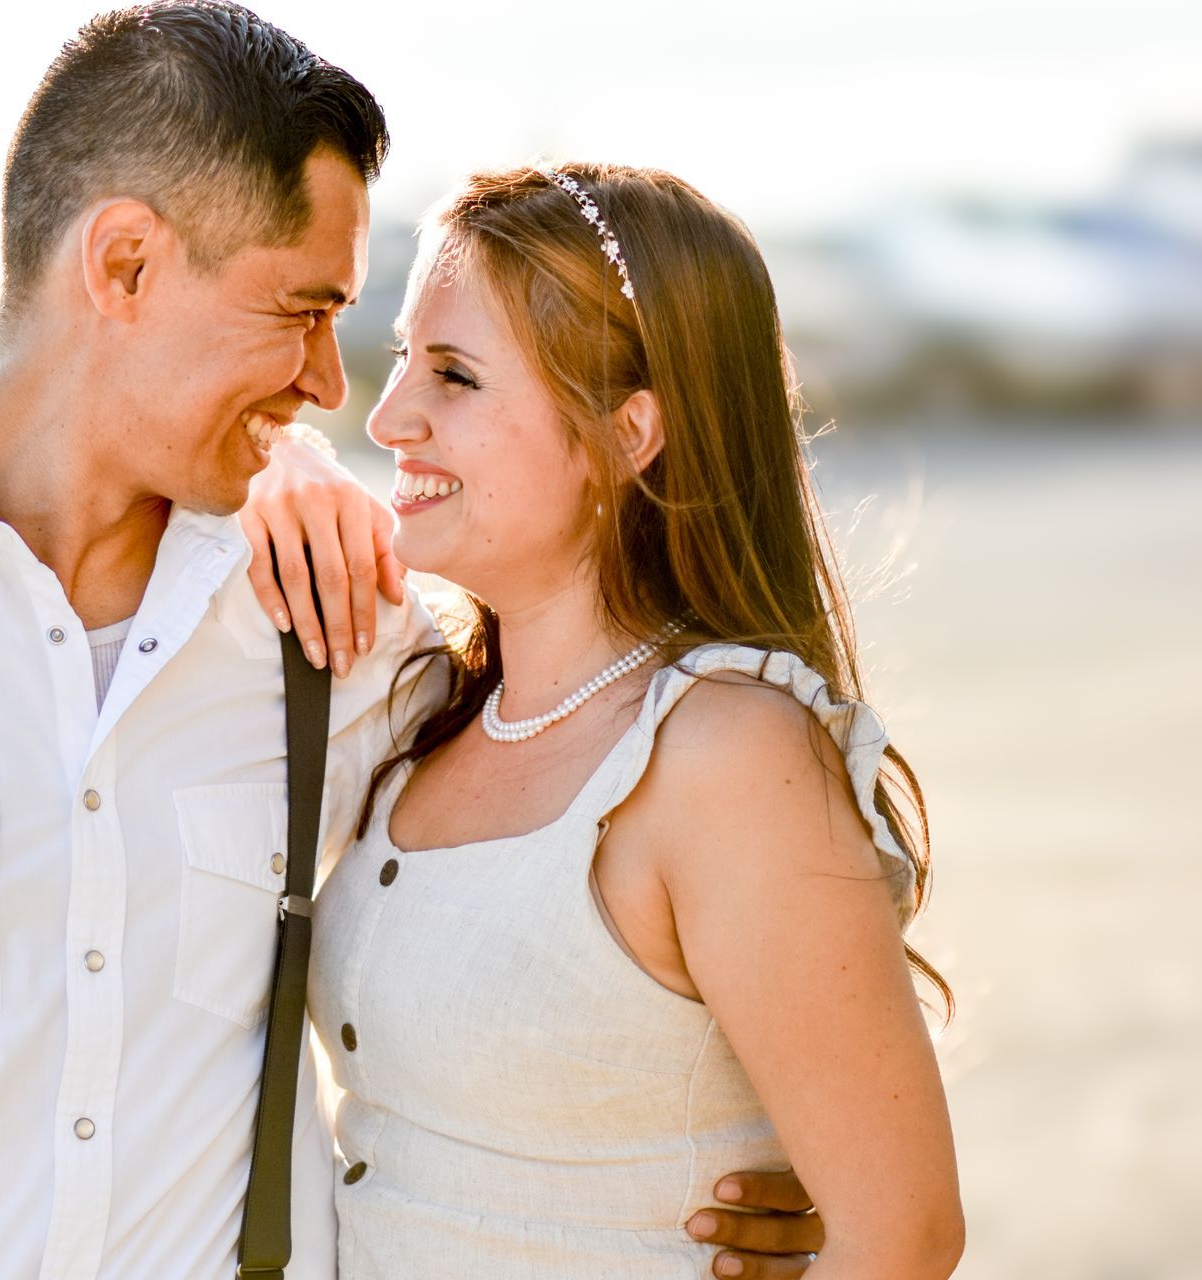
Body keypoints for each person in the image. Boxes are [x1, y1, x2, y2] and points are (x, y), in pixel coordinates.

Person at [0, 5, 837, 1277]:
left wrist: (728, 1169)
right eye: (301, 310)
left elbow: (588, 870)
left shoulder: (341, 627)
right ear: (124, 266)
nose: (332, 384)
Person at [280, 163, 965, 1278]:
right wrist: (284, 467)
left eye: (453, 374)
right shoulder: (423, 709)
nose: (390, 413)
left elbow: (901, 1237)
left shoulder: (724, 756)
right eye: (402, 356)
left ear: (626, 429)